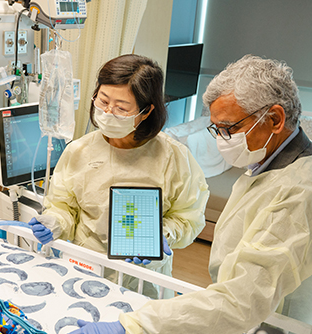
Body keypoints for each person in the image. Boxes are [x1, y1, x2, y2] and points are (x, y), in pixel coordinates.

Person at [47, 54, 312, 334]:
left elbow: (240, 299)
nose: (221, 140)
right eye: (216, 129)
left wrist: (131, 328)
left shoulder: (301, 192)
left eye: (228, 128)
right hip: (86, 273)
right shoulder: (276, 162)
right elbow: (61, 204)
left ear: (276, 119)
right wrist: (53, 221)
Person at [29, 54, 209, 297]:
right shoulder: (79, 151)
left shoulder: (173, 157)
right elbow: (63, 205)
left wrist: (161, 237)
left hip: (144, 277)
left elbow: (188, 216)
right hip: (85, 267)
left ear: (146, 112)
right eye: (103, 101)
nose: (108, 112)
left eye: (121, 108)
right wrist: (55, 221)